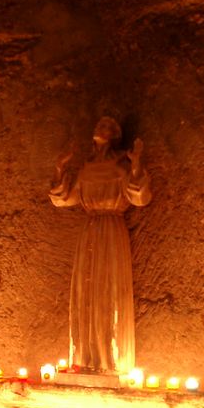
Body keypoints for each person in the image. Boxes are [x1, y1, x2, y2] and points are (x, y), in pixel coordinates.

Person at [49, 117, 151, 374]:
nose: (100, 128)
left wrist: (136, 164)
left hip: (112, 231)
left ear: (115, 135)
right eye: (98, 125)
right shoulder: (86, 169)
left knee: (110, 289)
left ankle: (112, 360)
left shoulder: (121, 167)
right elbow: (63, 199)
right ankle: (85, 356)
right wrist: (60, 169)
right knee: (86, 292)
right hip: (90, 231)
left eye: (107, 126)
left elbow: (139, 197)